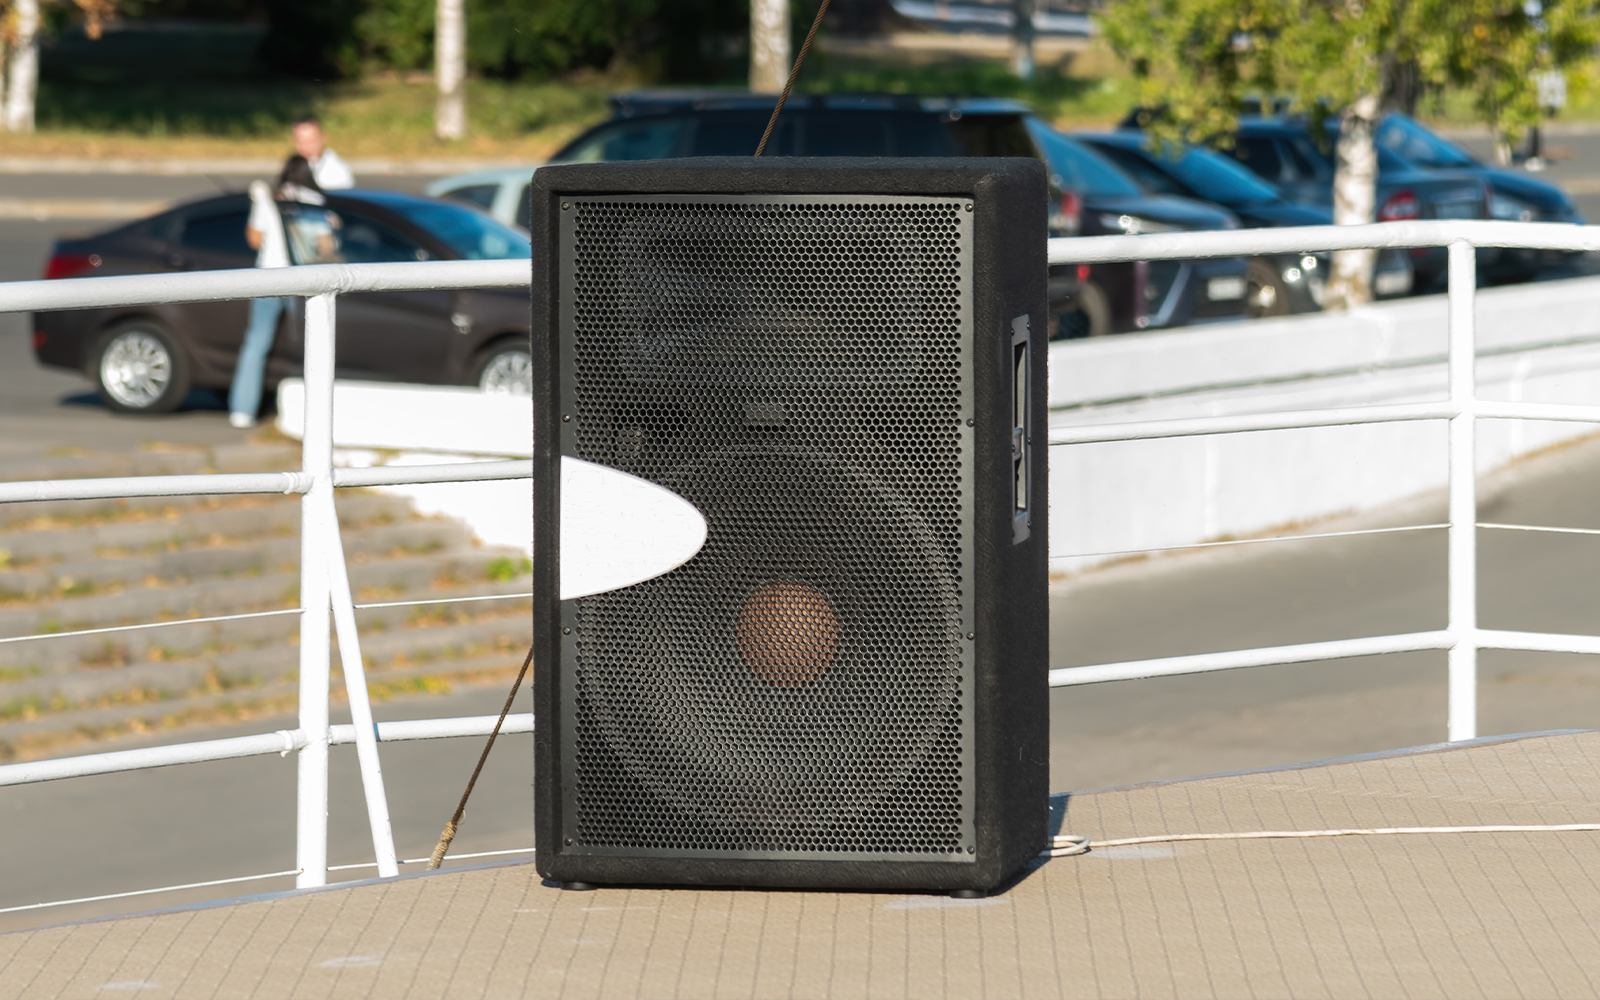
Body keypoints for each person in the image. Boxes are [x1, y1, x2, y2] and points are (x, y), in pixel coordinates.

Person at [227, 158, 339, 429]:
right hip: (304, 280)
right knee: (311, 344)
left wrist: (257, 203)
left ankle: (242, 410)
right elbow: (324, 248)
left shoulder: (268, 199)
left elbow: (254, 239)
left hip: (267, 278)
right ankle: (305, 413)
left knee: (256, 343)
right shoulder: (313, 201)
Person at [292, 116, 355, 191]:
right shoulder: (293, 167)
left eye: (311, 141)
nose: (306, 147)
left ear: (323, 138)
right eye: (301, 142)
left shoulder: (337, 172)